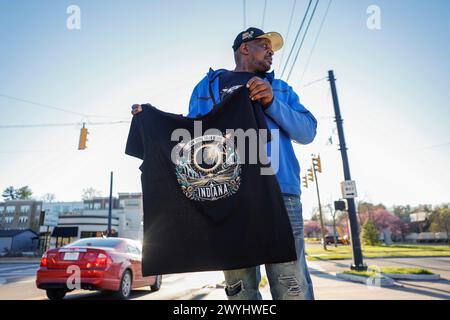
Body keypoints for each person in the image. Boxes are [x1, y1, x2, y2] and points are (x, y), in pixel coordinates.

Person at [131, 27, 317, 300]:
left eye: (273, 49)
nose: (271, 52)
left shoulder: (280, 88)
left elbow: (307, 131)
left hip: (281, 192)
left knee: (291, 283)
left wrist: (272, 101)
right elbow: (192, 135)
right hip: (230, 194)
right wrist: (151, 119)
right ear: (244, 48)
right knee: (239, 288)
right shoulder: (208, 86)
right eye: (265, 45)